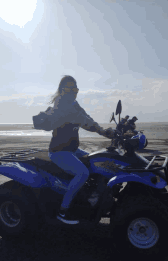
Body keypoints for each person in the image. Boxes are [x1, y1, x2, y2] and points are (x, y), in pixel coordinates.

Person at [47, 75, 115, 225]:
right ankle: (63, 210)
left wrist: (103, 130)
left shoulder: (74, 104)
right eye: (69, 88)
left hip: (71, 150)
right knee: (82, 173)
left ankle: (89, 199)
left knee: (96, 163)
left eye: (75, 89)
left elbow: (86, 117)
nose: (73, 92)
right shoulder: (61, 106)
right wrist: (102, 132)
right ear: (61, 90)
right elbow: (83, 121)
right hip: (59, 152)